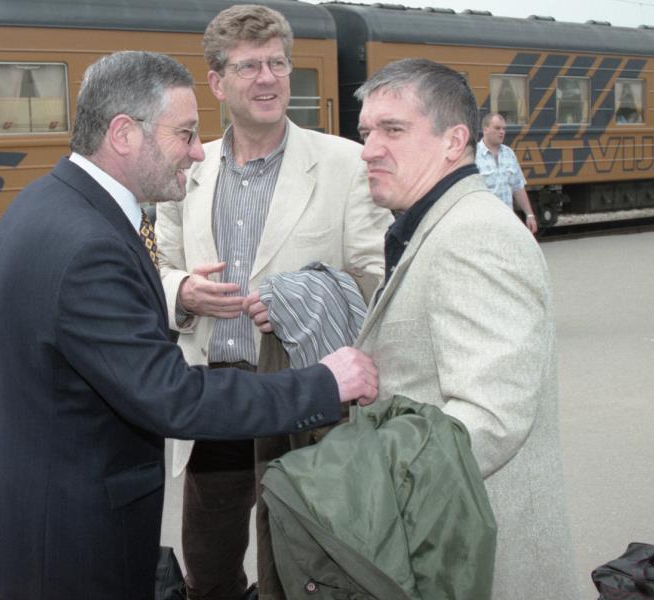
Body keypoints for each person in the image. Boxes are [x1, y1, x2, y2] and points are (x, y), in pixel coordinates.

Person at [0, 50, 378, 600]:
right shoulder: (91, 244)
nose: (196, 151)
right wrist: (324, 383)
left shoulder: (40, 205)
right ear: (124, 133)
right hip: (78, 543)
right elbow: (171, 397)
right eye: (185, 134)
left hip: (40, 518)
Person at [155, 6, 391, 599]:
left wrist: (303, 294)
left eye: (278, 63)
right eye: (249, 66)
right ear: (217, 83)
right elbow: (156, 269)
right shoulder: (189, 169)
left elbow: (379, 278)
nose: (268, 78)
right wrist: (182, 291)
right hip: (215, 393)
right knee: (208, 570)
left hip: (307, 392)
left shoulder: (343, 163)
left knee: (298, 563)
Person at [353, 58, 576, 599]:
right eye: (365, 133)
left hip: (475, 556)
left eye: (392, 130)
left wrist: (361, 478)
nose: (369, 149)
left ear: (454, 141)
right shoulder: (435, 224)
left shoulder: (475, 236)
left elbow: (491, 418)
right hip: (446, 543)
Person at [475, 112, 537, 234]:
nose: (502, 132)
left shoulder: (509, 153)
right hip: (483, 223)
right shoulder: (473, 155)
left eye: (504, 129)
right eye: (497, 128)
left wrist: (529, 215)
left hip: (507, 221)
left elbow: (518, 188)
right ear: (485, 130)